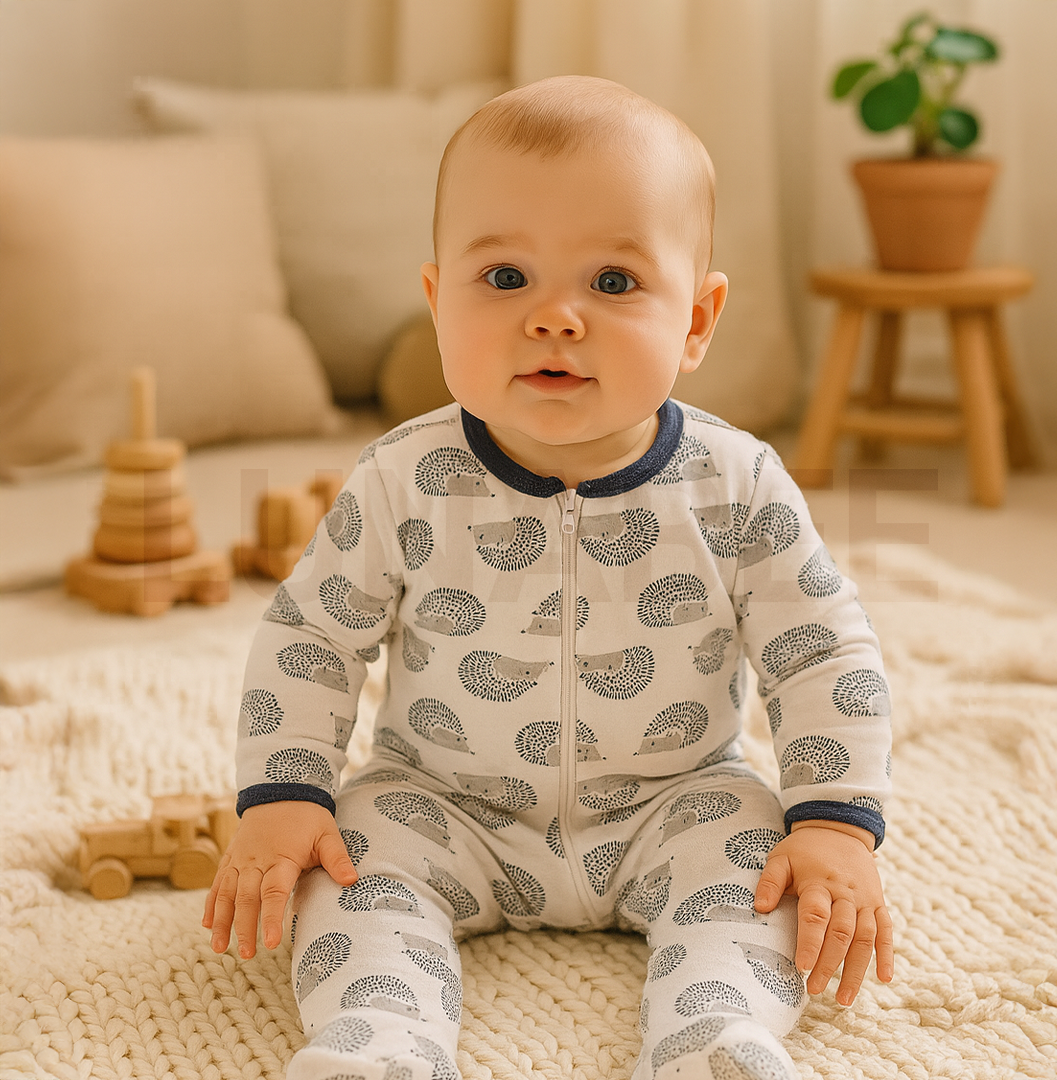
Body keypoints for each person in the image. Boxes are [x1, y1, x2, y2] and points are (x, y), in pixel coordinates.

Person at [205, 75, 893, 1080]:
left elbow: (822, 647)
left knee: (766, 877)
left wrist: (835, 819)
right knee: (348, 872)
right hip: (439, 802)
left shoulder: (737, 483)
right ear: (439, 304)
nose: (556, 318)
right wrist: (286, 794)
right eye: (505, 279)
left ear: (696, 321)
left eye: (613, 284)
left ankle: (713, 1040)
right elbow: (312, 634)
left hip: (678, 801)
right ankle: (378, 1043)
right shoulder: (404, 477)